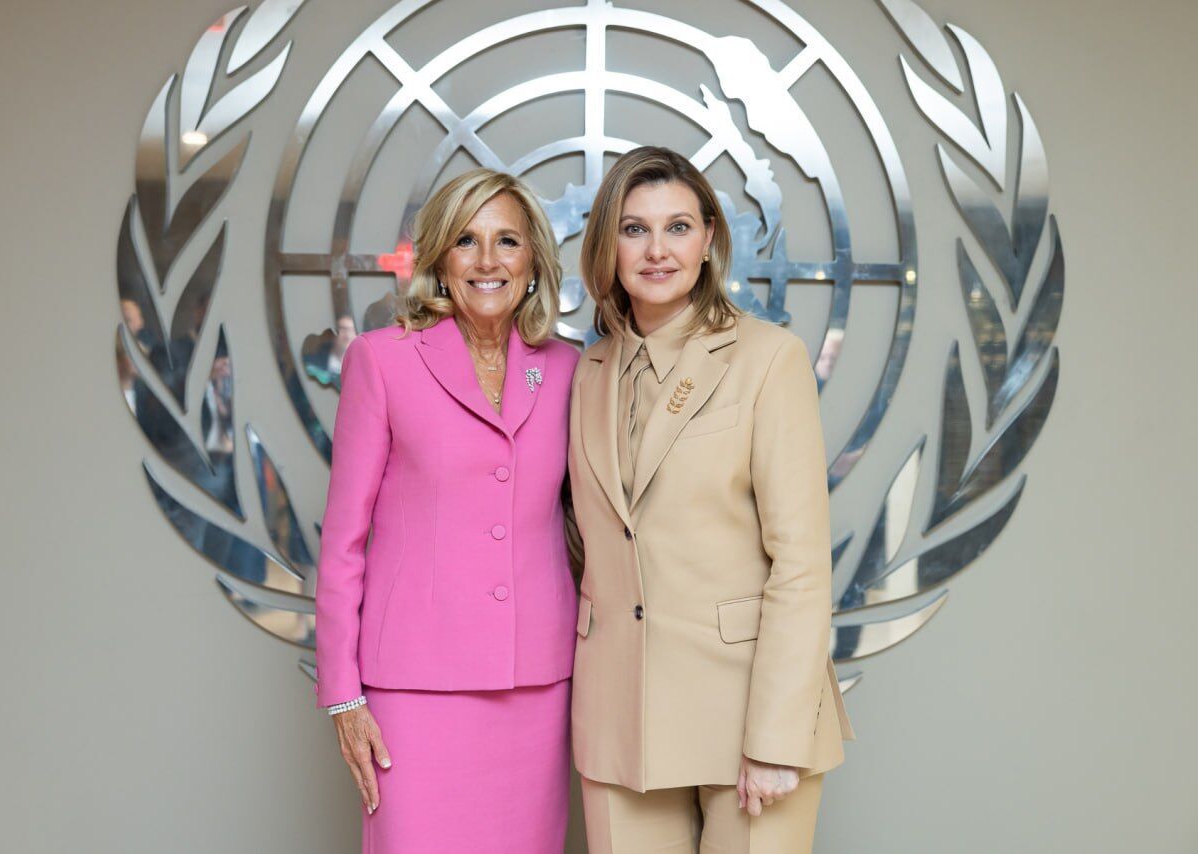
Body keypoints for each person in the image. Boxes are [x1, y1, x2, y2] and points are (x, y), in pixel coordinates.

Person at [567, 146, 855, 853]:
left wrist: (777, 737)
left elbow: (800, 562)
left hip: (747, 711)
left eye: (678, 227)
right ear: (607, 245)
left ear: (710, 242)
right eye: (634, 229)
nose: (657, 250)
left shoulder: (768, 358)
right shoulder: (586, 372)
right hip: (618, 716)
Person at [313, 168, 580, 853]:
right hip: (413, 690)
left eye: (508, 241)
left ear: (533, 262)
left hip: (538, 685)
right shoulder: (383, 362)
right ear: (439, 259)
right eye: (467, 240)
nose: (488, 261)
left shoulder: (569, 369)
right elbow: (343, 541)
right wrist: (344, 696)